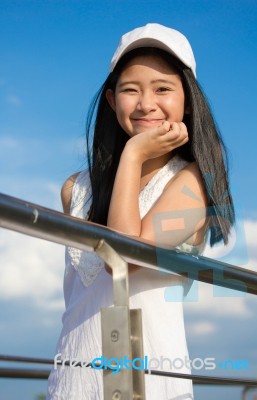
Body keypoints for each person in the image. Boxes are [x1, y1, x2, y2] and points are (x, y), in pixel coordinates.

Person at [47, 23, 235, 399]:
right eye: (131, 89)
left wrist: (133, 154)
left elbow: (124, 256)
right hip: (72, 381)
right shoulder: (75, 188)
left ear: (188, 99)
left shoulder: (193, 181)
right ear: (111, 99)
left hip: (151, 384)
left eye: (163, 89)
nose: (146, 103)